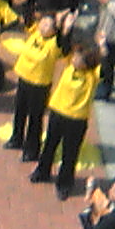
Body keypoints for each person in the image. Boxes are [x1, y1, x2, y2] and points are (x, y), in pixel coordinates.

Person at [30, 44, 101, 200]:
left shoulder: (92, 77)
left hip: (76, 120)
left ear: (87, 64)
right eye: (74, 56)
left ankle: (64, 184)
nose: (74, 59)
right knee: (49, 144)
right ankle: (42, 171)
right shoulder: (69, 68)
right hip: (57, 114)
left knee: (70, 153)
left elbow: (104, 67)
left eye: (78, 59)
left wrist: (103, 49)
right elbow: (65, 45)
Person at [7, 12, 64, 159]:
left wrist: (64, 25)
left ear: (54, 30)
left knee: (35, 118)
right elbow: (27, 19)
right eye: (42, 23)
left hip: (39, 85)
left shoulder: (54, 44)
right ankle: (16, 138)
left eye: (47, 25)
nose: (43, 27)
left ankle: (32, 150)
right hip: (24, 78)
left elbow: (63, 41)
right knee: (19, 111)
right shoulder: (35, 34)